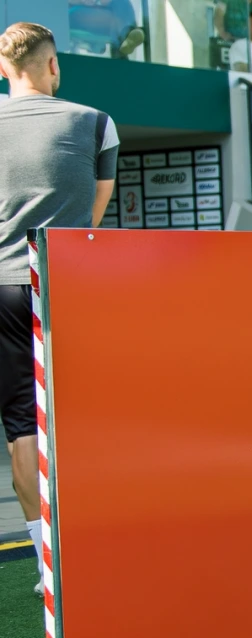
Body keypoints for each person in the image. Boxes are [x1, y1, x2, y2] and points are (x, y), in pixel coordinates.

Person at [0, 22, 119, 593]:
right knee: (79, 418)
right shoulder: (95, 122)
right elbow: (93, 214)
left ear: (4, 70)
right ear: (53, 65)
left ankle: (47, 564)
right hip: (62, 281)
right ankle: (95, 546)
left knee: (23, 423)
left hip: (1, 284)